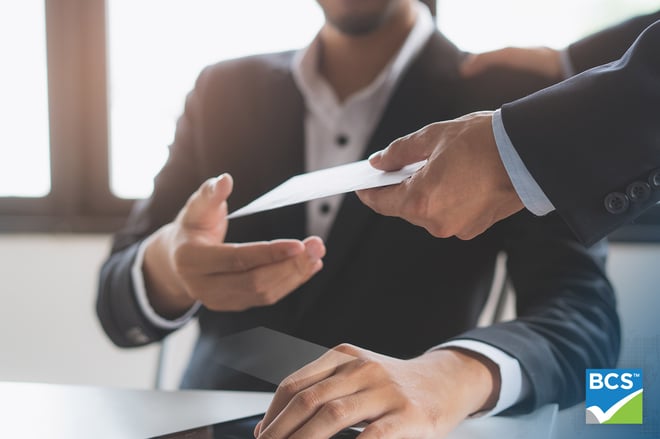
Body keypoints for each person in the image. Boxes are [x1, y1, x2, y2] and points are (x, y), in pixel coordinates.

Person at [97, 1, 619, 437]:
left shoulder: (511, 97)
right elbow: (115, 304)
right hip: (207, 422)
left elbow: (586, 327)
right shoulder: (222, 89)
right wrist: (167, 267)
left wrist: (449, 378)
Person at [358, 12, 660, 246]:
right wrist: (572, 61)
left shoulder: (504, 90)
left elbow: (573, 302)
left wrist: (511, 152)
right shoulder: (535, 82)